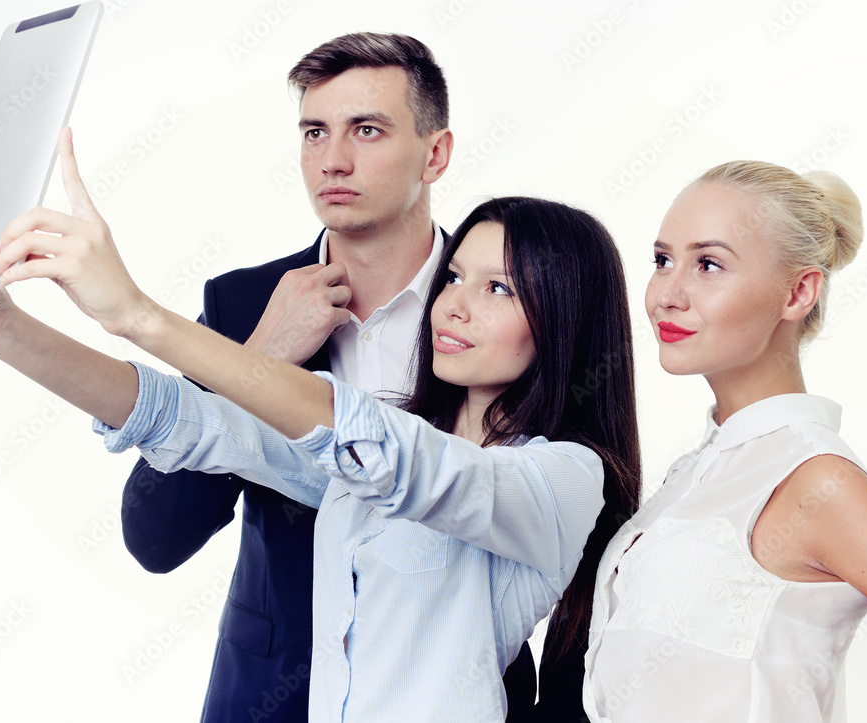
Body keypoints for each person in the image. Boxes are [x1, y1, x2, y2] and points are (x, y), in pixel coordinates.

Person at [0, 150, 641, 717]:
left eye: (500, 288)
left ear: (564, 319)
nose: (453, 304)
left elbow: (417, 464)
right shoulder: (375, 456)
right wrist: (0, 328)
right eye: (454, 277)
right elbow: (193, 423)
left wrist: (137, 312)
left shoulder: (563, 479)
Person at [111, 32, 550, 722]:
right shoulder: (243, 302)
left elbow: (574, 525)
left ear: (435, 154)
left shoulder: (514, 303)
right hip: (275, 693)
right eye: (315, 132)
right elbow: (154, 535)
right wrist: (262, 357)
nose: (333, 160)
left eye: (366, 130)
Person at [582, 160, 867, 722]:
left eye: (708, 264)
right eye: (662, 260)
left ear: (798, 292)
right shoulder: (694, 474)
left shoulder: (819, 479)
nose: (666, 295)